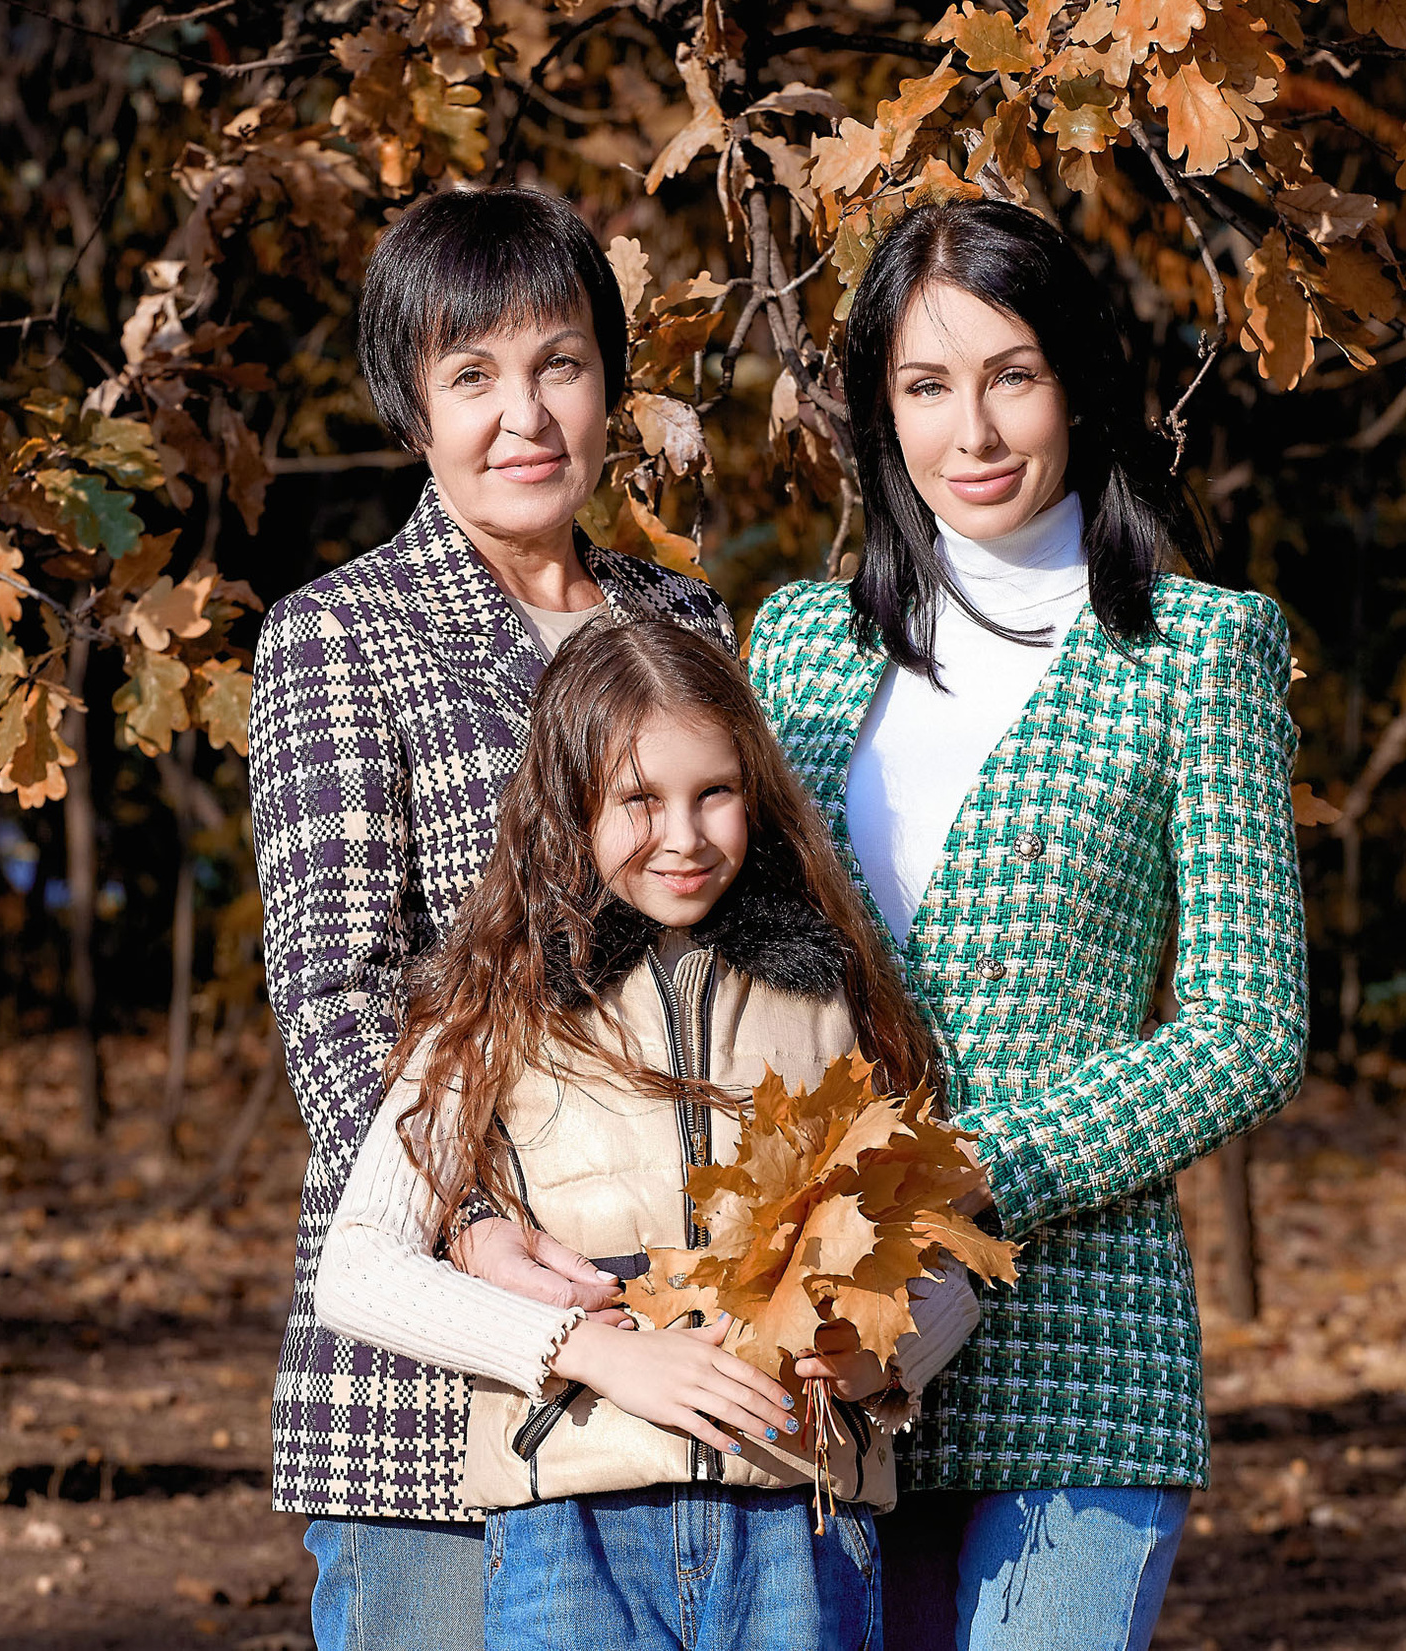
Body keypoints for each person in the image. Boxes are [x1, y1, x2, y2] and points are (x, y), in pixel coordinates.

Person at [745, 197, 1310, 1651]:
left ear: (1077, 381)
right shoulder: (798, 644)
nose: (974, 431)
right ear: (881, 408)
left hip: (1080, 1339)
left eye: (1013, 375)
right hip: (826, 1344)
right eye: (927, 385)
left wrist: (979, 1170)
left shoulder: (1198, 649)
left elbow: (1250, 1026)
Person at [248, 186, 733, 1651]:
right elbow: (335, 991)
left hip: (667, 1323)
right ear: (415, 408)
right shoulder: (339, 634)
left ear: (608, 386)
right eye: (472, 375)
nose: (523, 416)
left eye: (558, 364)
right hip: (432, 1341)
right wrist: (464, 1220)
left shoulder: (686, 623)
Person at [316, 617, 980, 1651]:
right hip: (574, 1524)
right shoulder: (498, 1003)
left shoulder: (832, 996)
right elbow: (358, 1268)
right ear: (569, 802)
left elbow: (939, 1247)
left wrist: (881, 1361)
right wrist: (590, 1352)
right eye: (639, 799)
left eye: (714, 792)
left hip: (798, 1517)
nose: (684, 836)